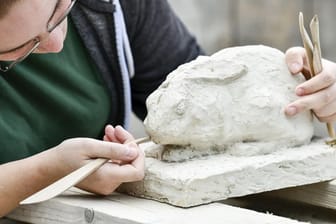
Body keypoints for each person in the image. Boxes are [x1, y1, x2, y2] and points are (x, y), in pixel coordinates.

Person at [0, 0, 336, 217]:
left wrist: (304, 86)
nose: (57, 43)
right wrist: (47, 171)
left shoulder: (112, 6)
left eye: (61, 9)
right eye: (23, 46)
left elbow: (199, 92)